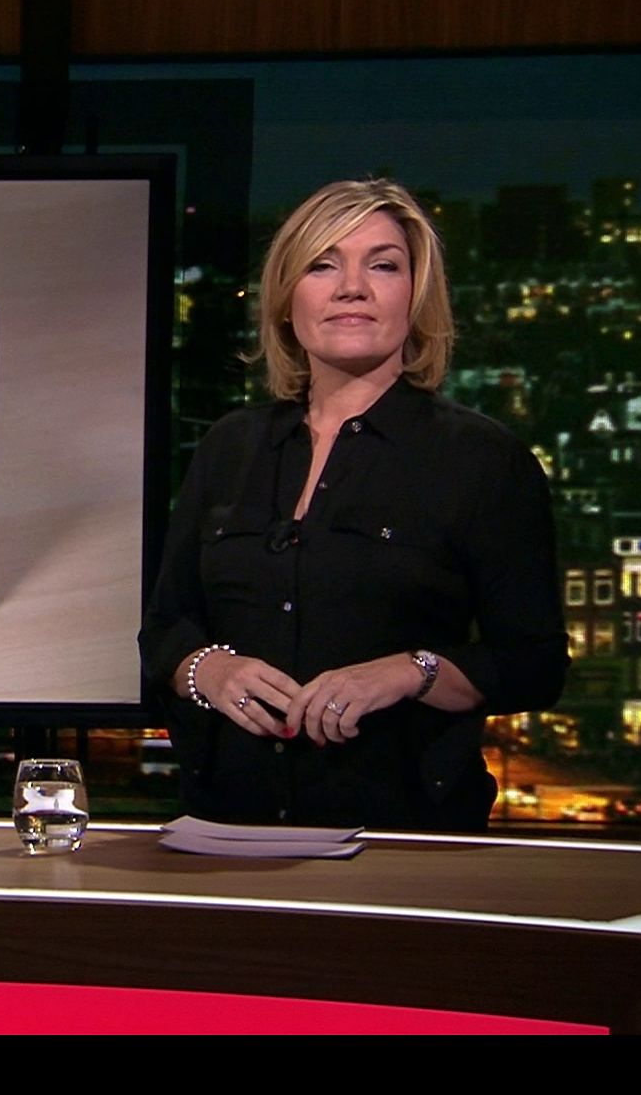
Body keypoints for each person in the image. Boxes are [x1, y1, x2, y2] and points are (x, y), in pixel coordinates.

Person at [139, 179, 567, 830]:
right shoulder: (229, 447)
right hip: (227, 831)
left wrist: (410, 672)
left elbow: (534, 664)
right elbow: (166, 630)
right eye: (322, 265)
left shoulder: (482, 459)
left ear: (415, 299)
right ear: (287, 300)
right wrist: (209, 671)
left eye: (383, 266)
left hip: (404, 837)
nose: (352, 288)